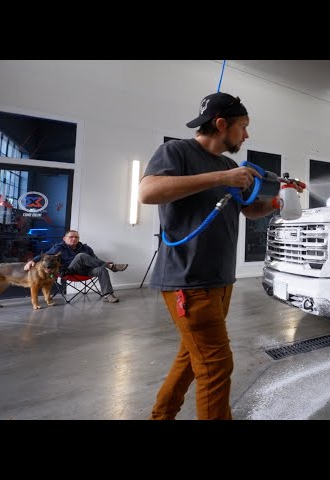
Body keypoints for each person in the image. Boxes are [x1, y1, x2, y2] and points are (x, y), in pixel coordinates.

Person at [139, 92, 302, 420]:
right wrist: (221, 178)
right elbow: (148, 191)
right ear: (221, 124)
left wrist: (276, 204)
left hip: (219, 279)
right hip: (188, 278)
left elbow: (247, 210)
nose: (246, 135)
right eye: (243, 127)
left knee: (191, 358)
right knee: (216, 365)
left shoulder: (229, 165)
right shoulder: (177, 152)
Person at [24, 229, 128, 303]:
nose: (74, 239)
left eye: (76, 237)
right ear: (64, 238)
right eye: (71, 237)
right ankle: (111, 267)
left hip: (86, 271)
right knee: (81, 256)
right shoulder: (58, 248)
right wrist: (31, 260)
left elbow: (95, 260)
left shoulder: (86, 248)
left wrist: (102, 263)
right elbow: (45, 255)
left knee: (101, 269)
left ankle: (108, 295)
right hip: (69, 271)